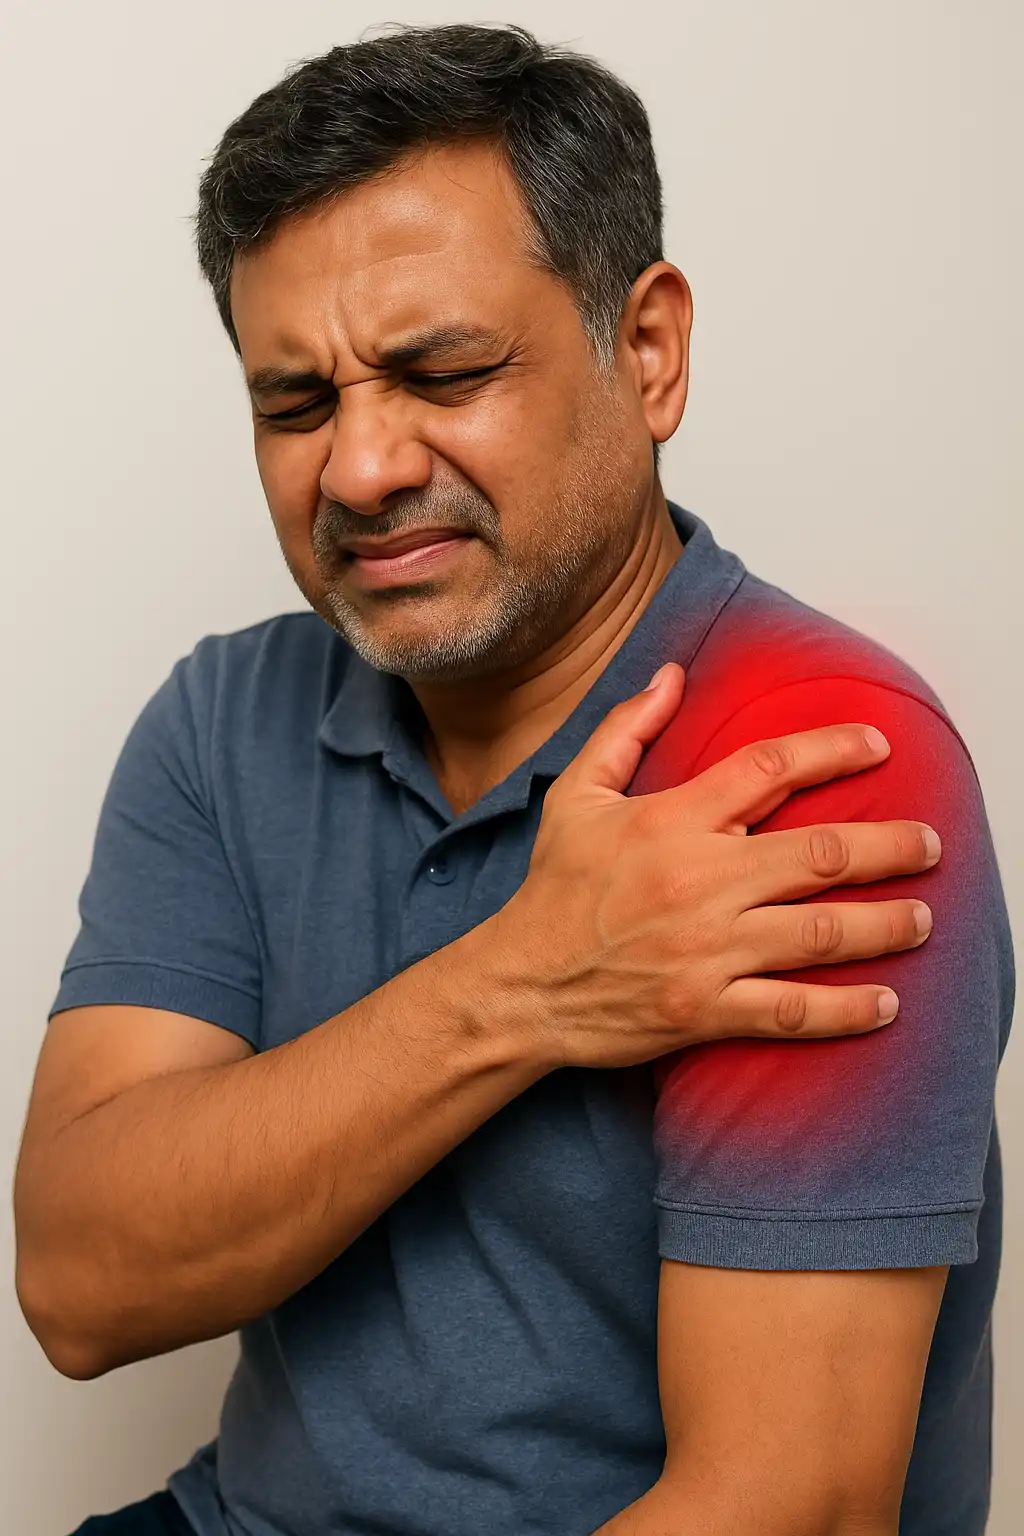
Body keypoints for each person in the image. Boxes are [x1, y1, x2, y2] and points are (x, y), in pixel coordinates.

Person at [13, 22, 1013, 1536]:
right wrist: (528, 986)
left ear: (650, 350)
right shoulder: (229, 715)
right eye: (296, 404)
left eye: (444, 370)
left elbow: (789, 1505)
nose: (357, 468)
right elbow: (81, 1285)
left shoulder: (815, 760)